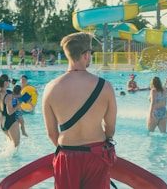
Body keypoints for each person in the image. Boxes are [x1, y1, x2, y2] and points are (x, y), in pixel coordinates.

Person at [43, 32, 117, 188]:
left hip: (67, 156)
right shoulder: (105, 87)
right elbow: (110, 128)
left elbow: (51, 133)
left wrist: (70, 151)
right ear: (86, 55)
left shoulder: (50, 88)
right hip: (97, 155)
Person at [0, 75, 20, 147]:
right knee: (16, 146)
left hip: (2, 122)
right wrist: (18, 105)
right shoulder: (8, 96)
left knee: (11, 145)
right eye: (8, 80)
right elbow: (10, 112)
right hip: (11, 120)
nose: (9, 82)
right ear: (5, 83)